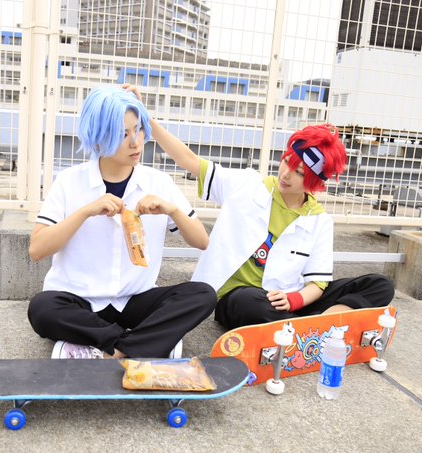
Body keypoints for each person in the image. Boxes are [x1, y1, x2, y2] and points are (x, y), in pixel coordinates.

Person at [125, 86, 394, 329]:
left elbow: (318, 283)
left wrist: (295, 300)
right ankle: (316, 329)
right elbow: (189, 160)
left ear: (315, 183)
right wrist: (146, 119)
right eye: (287, 161)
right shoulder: (247, 185)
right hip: (241, 298)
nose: (286, 174)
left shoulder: (319, 220)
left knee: (380, 285)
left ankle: (315, 326)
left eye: (300, 173)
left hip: (290, 299)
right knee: (249, 303)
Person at [27, 86, 217, 359]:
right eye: (122, 134)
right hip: (79, 300)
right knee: (42, 308)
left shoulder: (158, 182)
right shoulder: (69, 181)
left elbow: (202, 241)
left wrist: (173, 210)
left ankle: (106, 350)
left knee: (203, 294)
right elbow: (37, 249)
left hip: (135, 299)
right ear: (98, 138)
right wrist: (85, 212)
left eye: (138, 130)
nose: (135, 142)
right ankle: (147, 344)